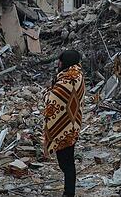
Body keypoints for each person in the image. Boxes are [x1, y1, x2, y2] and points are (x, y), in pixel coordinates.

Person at [43, 50, 85, 197]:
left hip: (64, 127)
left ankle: (69, 193)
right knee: (68, 160)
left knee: (65, 162)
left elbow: (51, 100)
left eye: (60, 61)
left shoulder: (68, 79)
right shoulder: (78, 75)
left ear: (65, 62)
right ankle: (69, 191)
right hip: (72, 123)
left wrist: (48, 90)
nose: (58, 64)